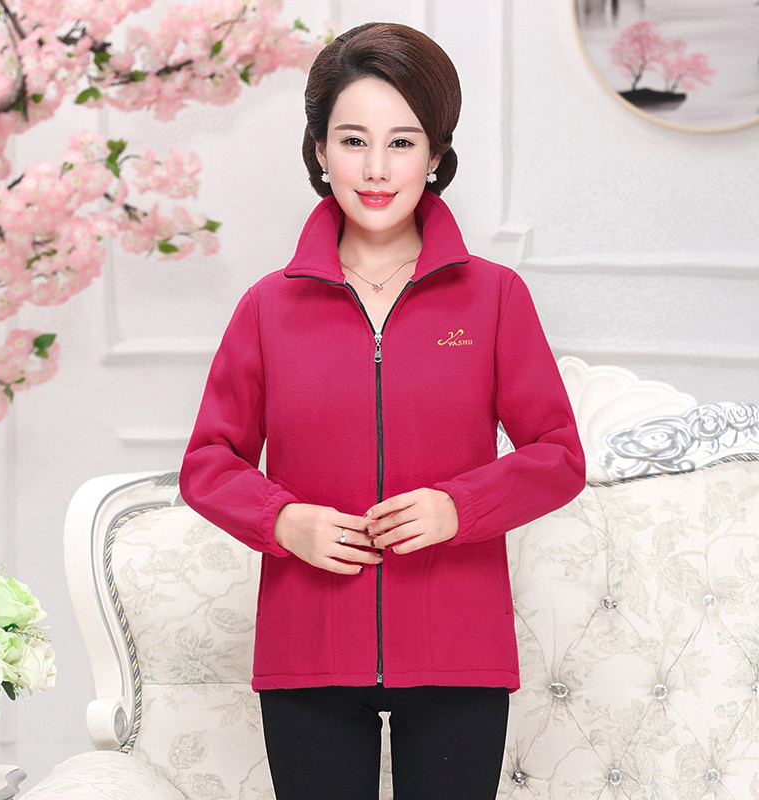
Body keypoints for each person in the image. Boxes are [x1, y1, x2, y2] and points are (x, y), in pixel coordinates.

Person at [180, 21, 585, 800]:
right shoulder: (267, 308)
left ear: (434, 155)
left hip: (458, 649)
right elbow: (208, 462)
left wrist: (458, 507)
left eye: (402, 142)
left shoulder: (494, 298)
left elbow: (559, 454)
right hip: (308, 651)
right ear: (319, 152)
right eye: (352, 140)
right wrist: (283, 521)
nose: (375, 168)